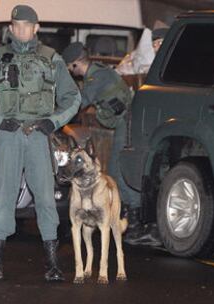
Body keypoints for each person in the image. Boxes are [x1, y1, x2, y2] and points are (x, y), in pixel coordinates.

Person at [0, 5, 81, 282]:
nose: (21, 31)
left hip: (39, 136)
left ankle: (53, 264)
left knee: (44, 196)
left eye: (26, 26)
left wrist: (53, 122)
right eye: (16, 26)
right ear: (10, 29)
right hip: (8, 134)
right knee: (4, 197)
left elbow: (72, 97)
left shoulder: (51, 59)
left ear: (36, 28)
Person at [61, 42, 159, 245]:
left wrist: (55, 118)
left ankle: (136, 223)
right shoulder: (98, 73)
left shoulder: (97, 78)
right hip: (127, 121)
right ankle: (131, 221)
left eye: (71, 67)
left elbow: (78, 103)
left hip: (127, 122)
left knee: (118, 172)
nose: (72, 72)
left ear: (76, 64)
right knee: (117, 172)